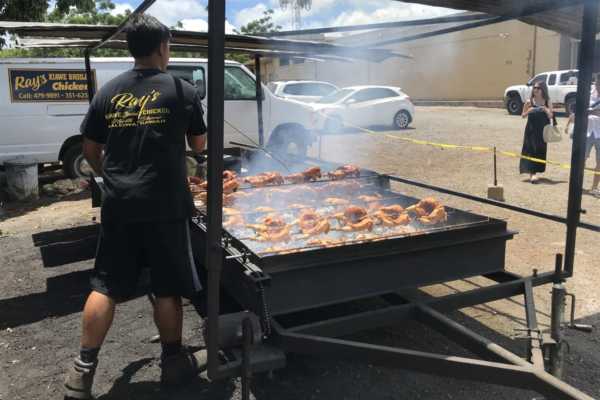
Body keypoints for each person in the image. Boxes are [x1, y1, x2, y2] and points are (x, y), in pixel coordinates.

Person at [64, 14, 207, 400]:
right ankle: (174, 364)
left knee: (106, 284)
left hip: (120, 204)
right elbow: (198, 145)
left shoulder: (108, 91)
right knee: (166, 286)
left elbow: (91, 147)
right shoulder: (182, 90)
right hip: (165, 205)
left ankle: (81, 372)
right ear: (163, 47)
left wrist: (110, 177)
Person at [565, 77, 600, 197]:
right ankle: (578, 185)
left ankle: (594, 188)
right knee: (581, 160)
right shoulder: (588, 95)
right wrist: (592, 113)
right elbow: (578, 111)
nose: (598, 86)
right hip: (587, 132)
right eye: (597, 83)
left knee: (599, 163)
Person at [519, 81, 554, 183]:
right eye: (534, 88)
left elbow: (551, 116)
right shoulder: (529, 101)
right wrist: (529, 111)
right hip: (531, 130)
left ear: (543, 89)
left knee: (540, 150)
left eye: (538, 88)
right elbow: (523, 115)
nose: (535, 90)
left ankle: (535, 171)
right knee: (531, 150)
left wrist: (545, 109)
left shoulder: (547, 101)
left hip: (542, 131)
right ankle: (532, 174)